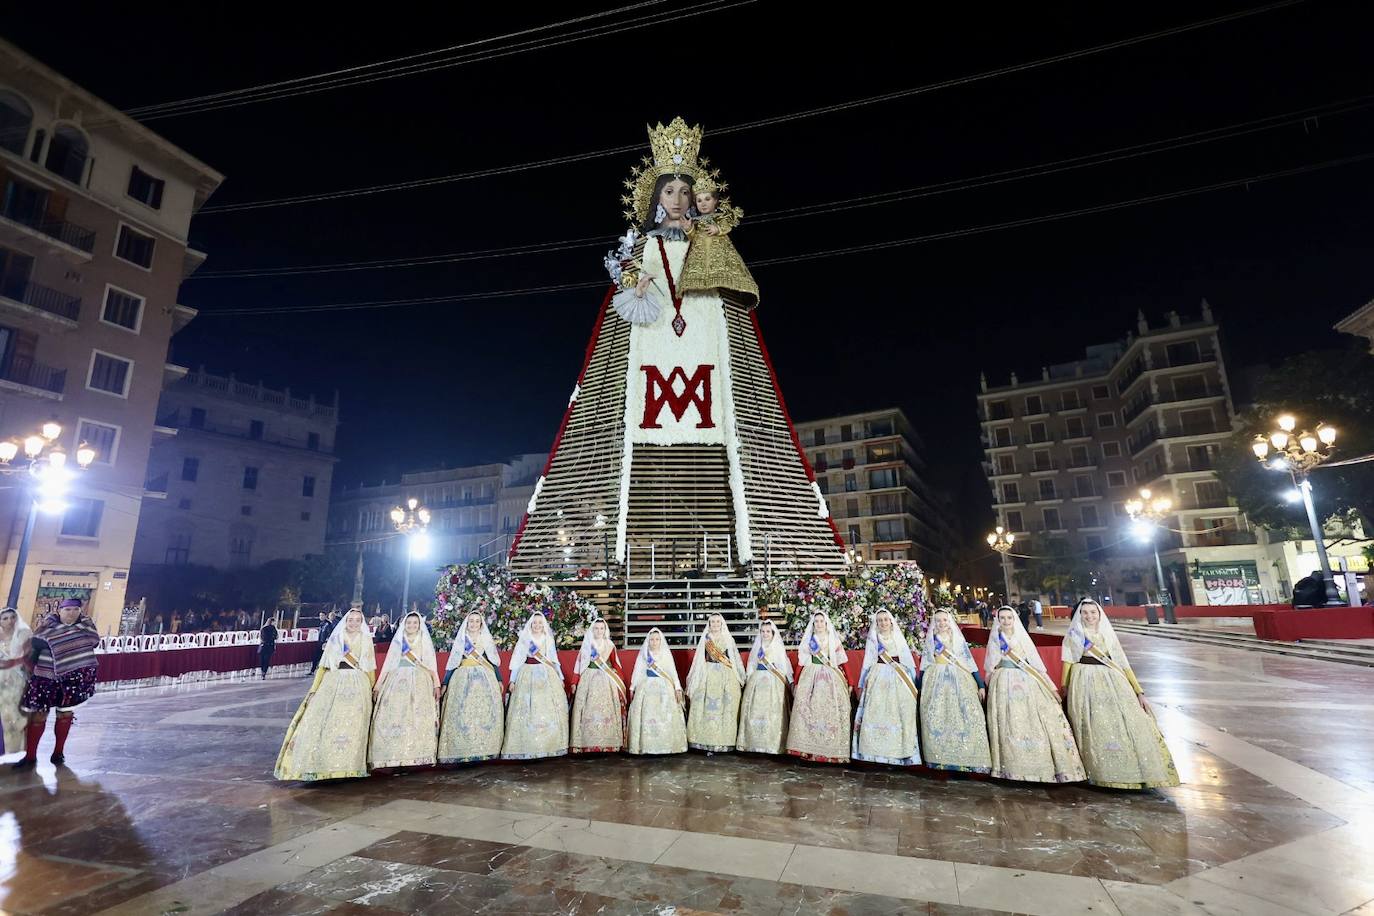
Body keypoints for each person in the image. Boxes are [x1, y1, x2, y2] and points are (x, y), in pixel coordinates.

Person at [1061, 599, 1179, 789]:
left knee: (1124, 722)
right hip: (1084, 680)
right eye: (1085, 613)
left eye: (1093, 612)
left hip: (1113, 681)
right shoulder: (1074, 635)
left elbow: (1122, 663)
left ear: (1099, 614)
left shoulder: (1108, 634)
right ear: (1079, 615)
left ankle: (1131, 769)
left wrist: (1138, 690)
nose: (1089, 616)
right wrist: (1064, 686)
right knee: (1094, 723)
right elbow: (1068, 661)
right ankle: (1099, 770)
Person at [984, 606, 1085, 784]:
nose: (1006, 621)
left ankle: (1040, 766)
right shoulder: (995, 639)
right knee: (1009, 722)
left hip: (1026, 680)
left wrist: (1052, 687)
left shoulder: (1023, 638)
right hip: (1003, 682)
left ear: (1014, 619)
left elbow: (1037, 664)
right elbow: (990, 667)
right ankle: (1013, 767)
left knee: (1033, 719)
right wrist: (989, 684)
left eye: (1009, 618)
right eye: (1002, 618)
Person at [275, 607, 375, 781]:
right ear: (346, 620)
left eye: (357, 620)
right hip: (333, 681)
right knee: (325, 722)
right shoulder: (336, 639)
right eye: (351, 619)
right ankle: (323, 764)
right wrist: (314, 689)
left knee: (353, 725)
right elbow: (324, 665)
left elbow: (370, 668)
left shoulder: (366, 640)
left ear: (362, 622)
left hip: (358, 683)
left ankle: (347, 766)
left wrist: (372, 688)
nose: (353, 623)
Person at [11, 598, 101, 769]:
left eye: (75, 609)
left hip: (73, 678)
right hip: (45, 677)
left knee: (65, 714)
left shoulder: (86, 628)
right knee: (38, 715)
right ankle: (30, 756)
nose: (72, 613)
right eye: (68, 610)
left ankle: (58, 753)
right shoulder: (46, 627)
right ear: (60, 610)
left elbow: (92, 642)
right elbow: (33, 647)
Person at [917, 610, 991, 774]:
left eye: (944, 620)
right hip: (935, 679)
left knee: (967, 715)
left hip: (959, 679)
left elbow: (969, 662)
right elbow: (924, 665)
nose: (941, 623)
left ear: (949, 621)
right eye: (938, 621)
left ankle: (968, 758)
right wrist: (918, 686)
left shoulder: (957, 640)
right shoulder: (931, 640)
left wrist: (980, 684)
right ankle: (940, 759)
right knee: (937, 716)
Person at [369, 611, 440, 770]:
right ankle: (394, 756)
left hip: (420, 680)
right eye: (409, 623)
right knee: (395, 716)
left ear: (419, 625)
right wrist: (379, 685)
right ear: (404, 624)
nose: (412, 625)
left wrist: (436, 684)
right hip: (397, 680)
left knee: (417, 717)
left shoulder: (423, 640)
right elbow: (388, 665)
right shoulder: (398, 641)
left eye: (415, 623)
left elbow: (430, 665)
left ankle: (415, 756)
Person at [851, 609, 921, 766]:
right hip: (878, 677)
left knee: (898, 714)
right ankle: (874, 754)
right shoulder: (874, 639)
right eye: (880, 620)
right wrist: (862, 684)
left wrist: (912, 681)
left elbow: (907, 660)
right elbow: (867, 662)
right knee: (876, 712)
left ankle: (898, 753)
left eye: (885, 619)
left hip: (898, 677)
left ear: (891, 621)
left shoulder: (898, 637)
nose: (883, 623)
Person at [438, 612, 504, 764]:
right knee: (462, 713)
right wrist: (445, 683)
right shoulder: (462, 639)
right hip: (462, 678)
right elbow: (453, 661)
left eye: (477, 622)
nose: (474, 624)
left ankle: (483, 751)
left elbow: (492, 660)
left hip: (484, 677)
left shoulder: (485, 638)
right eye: (471, 622)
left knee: (483, 713)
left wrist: (499, 679)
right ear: (467, 623)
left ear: (481, 624)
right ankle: (462, 751)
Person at [500, 613, 568, 760]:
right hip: (527, 674)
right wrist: (512, 681)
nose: (537, 626)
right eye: (534, 623)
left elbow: (554, 660)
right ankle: (527, 746)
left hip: (547, 674)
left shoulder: (548, 639)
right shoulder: (525, 640)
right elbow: (518, 661)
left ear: (544, 625)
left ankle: (548, 746)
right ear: (531, 625)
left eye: (540, 623)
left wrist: (560, 677)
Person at [786, 611, 852, 763]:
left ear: (826, 623)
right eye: (816, 621)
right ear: (813, 624)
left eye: (822, 621)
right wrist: (796, 682)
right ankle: (807, 750)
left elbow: (843, 661)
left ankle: (831, 751)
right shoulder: (809, 641)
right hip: (811, 676)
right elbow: (802, 662)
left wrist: (850, 681)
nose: (819, 624)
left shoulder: (833, 640)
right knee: (808, 710)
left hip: (831, 677)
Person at [686, 613, 746, 753]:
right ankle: (703, 741)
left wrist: (739, 676)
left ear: (721, 623)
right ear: (709, 623)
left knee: (727, 704)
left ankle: (724, 742)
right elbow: (699, 659)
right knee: (702, 703)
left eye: (717, 622)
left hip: (725, 674)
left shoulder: (728, 638)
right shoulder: (705, 639)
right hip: (707, 672)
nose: (715, 624)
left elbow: (734, 658)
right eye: (712, 622)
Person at [570, 617, 627, 753]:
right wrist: (574, 682)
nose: (599, 631)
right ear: (592, 630)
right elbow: (579, 665)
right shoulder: (587, 645)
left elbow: (615, 665)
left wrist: (620, 681)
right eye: (596, 628)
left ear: (605, 630)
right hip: (588, 679)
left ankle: (609, 744)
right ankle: (585, 743)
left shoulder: (609, 645)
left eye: (602, 628)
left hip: (606, 681)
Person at [626, 627, 687, 755]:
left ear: (661, 641)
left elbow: (672, 671)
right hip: (647, 685)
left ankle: (666, 745)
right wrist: (632, 686)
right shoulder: (644, 654)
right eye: (652, 639)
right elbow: (638, 670)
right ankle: (647, 746)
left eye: (657, 639)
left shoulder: (665, 654)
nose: (654, 642)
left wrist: (677, 687)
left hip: (664, 687)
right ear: (648, 641)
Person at [736, 619, 791, 755]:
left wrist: (788, 681)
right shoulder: (758, 647)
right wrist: (749, 677)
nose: (765, 634)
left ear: (772, 633)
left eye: (768, 631)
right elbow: (752, 664)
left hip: (773, 681)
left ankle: (771, 745)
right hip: (757, 679)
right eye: (763, 631)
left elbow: (783, 666)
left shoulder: (777, 647)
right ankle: (753, 743)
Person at [1, 607, 34, 758]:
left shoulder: (24, 636)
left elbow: (30, 658)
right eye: (5, 618)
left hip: (17, 679)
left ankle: (18, 750)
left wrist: (14, 663)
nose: (9, 621)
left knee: (17, 716)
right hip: (1, 680)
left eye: (12, 617)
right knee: (4, 716)